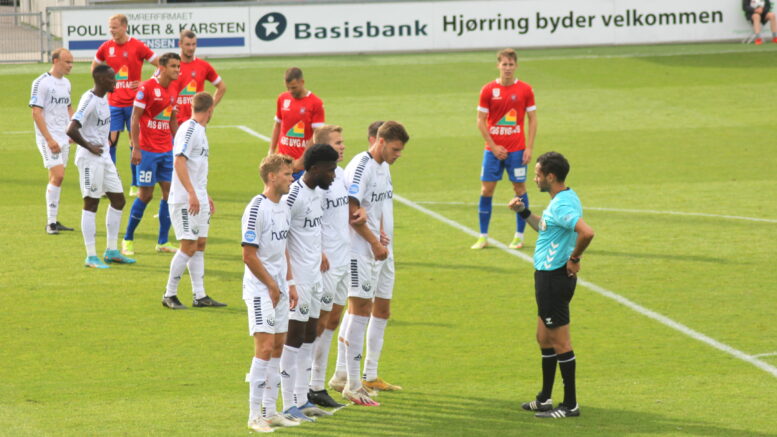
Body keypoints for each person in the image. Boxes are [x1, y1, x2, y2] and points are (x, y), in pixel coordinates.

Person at [508, 151, 594, 419]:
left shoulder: (562, 206)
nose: (535, 179)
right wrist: (524, 212)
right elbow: (545, 228)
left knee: (561, 342)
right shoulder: (563, 198)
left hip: (554, 278)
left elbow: (587, 232)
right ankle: (545, 398)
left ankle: (570, 405)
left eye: (538, 174)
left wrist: (575, 258)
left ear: (551, 176)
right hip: (546, 277)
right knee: (543, 338)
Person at [342, 121, 409, 406]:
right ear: (380, 141)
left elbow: (377, 207)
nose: (398, 155)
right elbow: (352, 210)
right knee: (358, 311)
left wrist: (381, 235)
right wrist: (373, 242)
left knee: (381, 309)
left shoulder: (384, 167)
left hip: (382, 250)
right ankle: (350, 381)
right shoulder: (362, 166)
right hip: (361, 250)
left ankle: (369, 375)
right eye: (395, 149)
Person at [279, 144, 338, 421]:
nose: (333, 176)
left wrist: (320, 252)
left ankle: (302, 399)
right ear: (314, 169)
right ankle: (288, 404)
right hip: (299, 280)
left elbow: (310, 231)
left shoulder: (317, 193)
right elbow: (280, 238)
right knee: (293, 338)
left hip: (315, 277)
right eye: (330, 170)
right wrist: (289, 279)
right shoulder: (293, 196)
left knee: (310, 336)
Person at [241, 154, 300, 432]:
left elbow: (283, 248)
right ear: (272, 176)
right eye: (287, 174)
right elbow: (249, 255)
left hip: (279, 288)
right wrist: (271, 285)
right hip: (259, 289)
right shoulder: (256, 208)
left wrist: (289, 282)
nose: (292, 179)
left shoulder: (284, 207)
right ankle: (254, 416)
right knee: (264, 348)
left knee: (277, 347)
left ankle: (270, 410)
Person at [307, 125, 363, 408]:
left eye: (343, 142)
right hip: (327, 262)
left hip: (344, 258)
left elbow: (345, 210)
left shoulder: (339, 175)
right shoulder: (319, 182)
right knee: (318, 323)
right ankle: (310, 385)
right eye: (338, 143)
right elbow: (309, 219)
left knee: (332, 321)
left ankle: (319, 383)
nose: (343, 147)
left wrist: (359, 212)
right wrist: (318, 250)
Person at [161, 92, 226, 309]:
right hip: (184, 199)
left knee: (199, 244)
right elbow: (179, 161)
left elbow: (195, 168)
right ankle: (169, 294)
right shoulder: (189, 129)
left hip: (197, 197)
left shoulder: (200, 130)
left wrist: (203, 194)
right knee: (188, 246)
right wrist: (191, 193)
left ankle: (200, 295)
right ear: (210, 109)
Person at [67, 65, 136, 268]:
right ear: (100, 80)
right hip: (90, 159)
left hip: (104, 157)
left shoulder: (104, 98)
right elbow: (71, 129)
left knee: (119, 200)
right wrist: (89, 146)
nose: (116, 82)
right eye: (112, 78)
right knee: (91, 203)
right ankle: (91, 256)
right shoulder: (89, 100)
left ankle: (111, 251)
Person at [471, 48, 537, 251]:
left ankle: (519, 236)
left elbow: (533, 119)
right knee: (486, 190)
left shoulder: (525, 90)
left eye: (511, 64)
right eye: (504, 64)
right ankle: (483, 236)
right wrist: (493, 146)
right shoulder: (488, 90)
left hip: (517, 150)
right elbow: (480, 121)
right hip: (492, 151)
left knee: (519, 189)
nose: (507, 68)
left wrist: (529, 148)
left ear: (516, 66)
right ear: (498, 65)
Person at [92, 13, 158, 195]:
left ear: (124, 27)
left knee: (135, 142)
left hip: (134, 105)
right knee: (110, 142)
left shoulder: (138, 46)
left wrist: (145, 83)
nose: (111, 31)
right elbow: (95, 67)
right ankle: (111, 184)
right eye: (110, 27)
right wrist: (101, 86)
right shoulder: (106, 47)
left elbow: (160, 65)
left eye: (114, 27)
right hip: (113, 104)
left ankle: (135, 184)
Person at [121, 52, 180, 256]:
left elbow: (172, 119)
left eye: (178, 66)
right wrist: (136, 147)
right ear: (162, 68)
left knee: (169, 194)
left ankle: (162, 241)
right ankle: (128, 239)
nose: (177, 70)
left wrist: (179, 145)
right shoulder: (146, 88)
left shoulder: (174, 89)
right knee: (145, 195)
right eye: (173, 66)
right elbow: (135, 118)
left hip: (166, 151)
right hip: (147, 151)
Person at [30, 48, 75, 235]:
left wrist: (73, 130)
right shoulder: (41, 83)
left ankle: (54, 220)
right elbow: (36, 112)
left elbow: (69, 108)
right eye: (67, 62)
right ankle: (50, 223)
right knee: (59, 175)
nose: (70, 66)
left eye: (71, 62)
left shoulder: (66, 83)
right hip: (49, 137)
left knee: (56, 178)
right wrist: (49, 139)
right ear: (56, 61)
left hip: (64, 136)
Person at [268, 67, 325, 179]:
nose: (291, 91)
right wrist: (271, 151)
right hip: (282, 164)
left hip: (302, 167)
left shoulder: (315, 103)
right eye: (288, 88)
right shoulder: (282, 98)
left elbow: (317, 134)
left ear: (302, 82)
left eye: (294, 88)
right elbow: (278, 125)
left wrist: (301, 161)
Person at [173, 30, 227, 125]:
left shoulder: (204, 66)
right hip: (174, 122)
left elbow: (222, 87)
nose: (191, 48)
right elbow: (155, 86)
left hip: (197, 122)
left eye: (194, 44)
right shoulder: (171, 65)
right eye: (188, 44)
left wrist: (209, 107)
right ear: (180, 44)